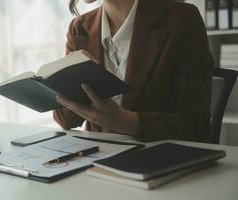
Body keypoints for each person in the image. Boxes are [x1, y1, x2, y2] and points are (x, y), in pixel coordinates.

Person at [53, 0, 214, 142]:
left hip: (159, 159)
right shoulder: (79, 27)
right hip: (97, 160)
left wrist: (127, 122)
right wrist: (69, 78)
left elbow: (197, 127)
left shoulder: (182, 19)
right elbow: (65, 120)